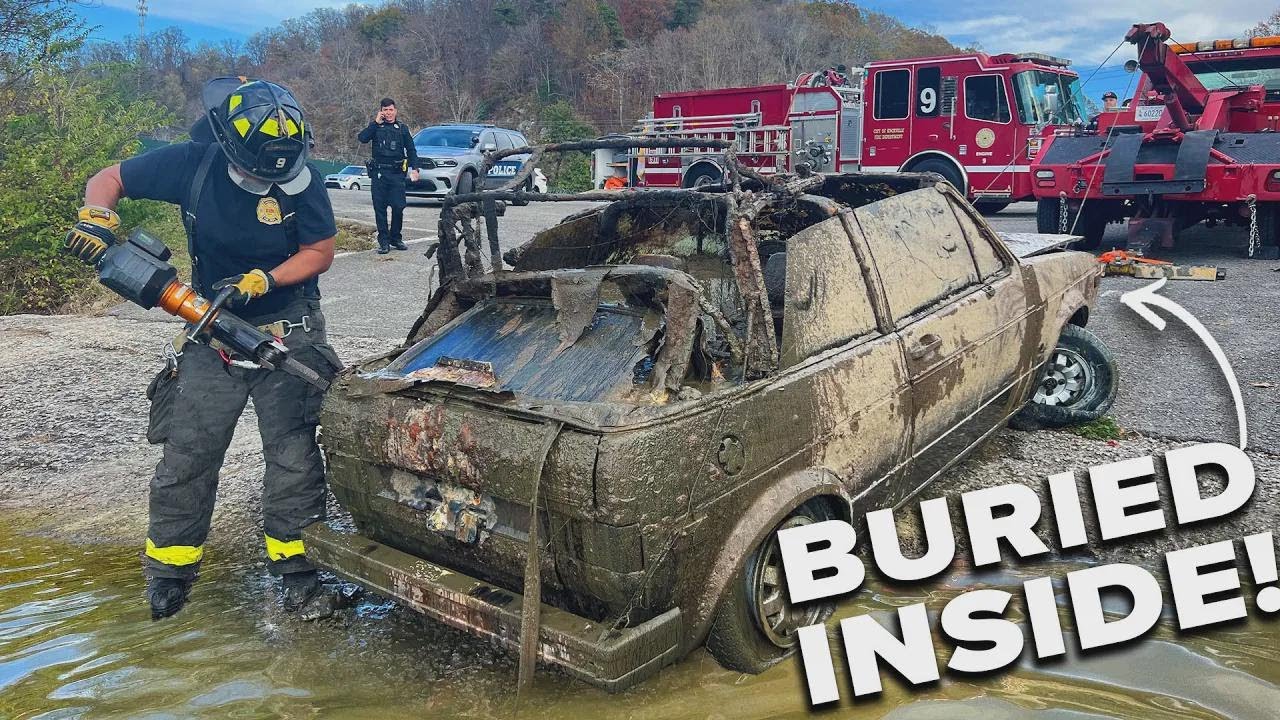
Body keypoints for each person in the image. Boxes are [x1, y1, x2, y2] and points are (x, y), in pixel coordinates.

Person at [64, 76, 342, 620]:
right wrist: (97, 217)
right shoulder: (192, 163)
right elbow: (110, 177)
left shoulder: (301, 178)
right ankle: (169, 574)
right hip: (210, 326)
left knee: (293, 457)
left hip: (288, 324)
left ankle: (298, 575)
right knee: (188, 454)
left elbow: (319, 250)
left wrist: (264, 279)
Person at [357, 98, 419, 254]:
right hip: (379, 174)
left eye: (391, 110)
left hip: (396, 173)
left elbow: (411, 150)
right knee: (380, 209)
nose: (388, 113)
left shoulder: (402, 129)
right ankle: (384, 241)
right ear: (381, 111)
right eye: (385, 110)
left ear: (395, 111)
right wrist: (374, 123)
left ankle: (396, 238)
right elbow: (362, 138)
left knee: (399, 206)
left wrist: (415, 168)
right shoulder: (376, 127)